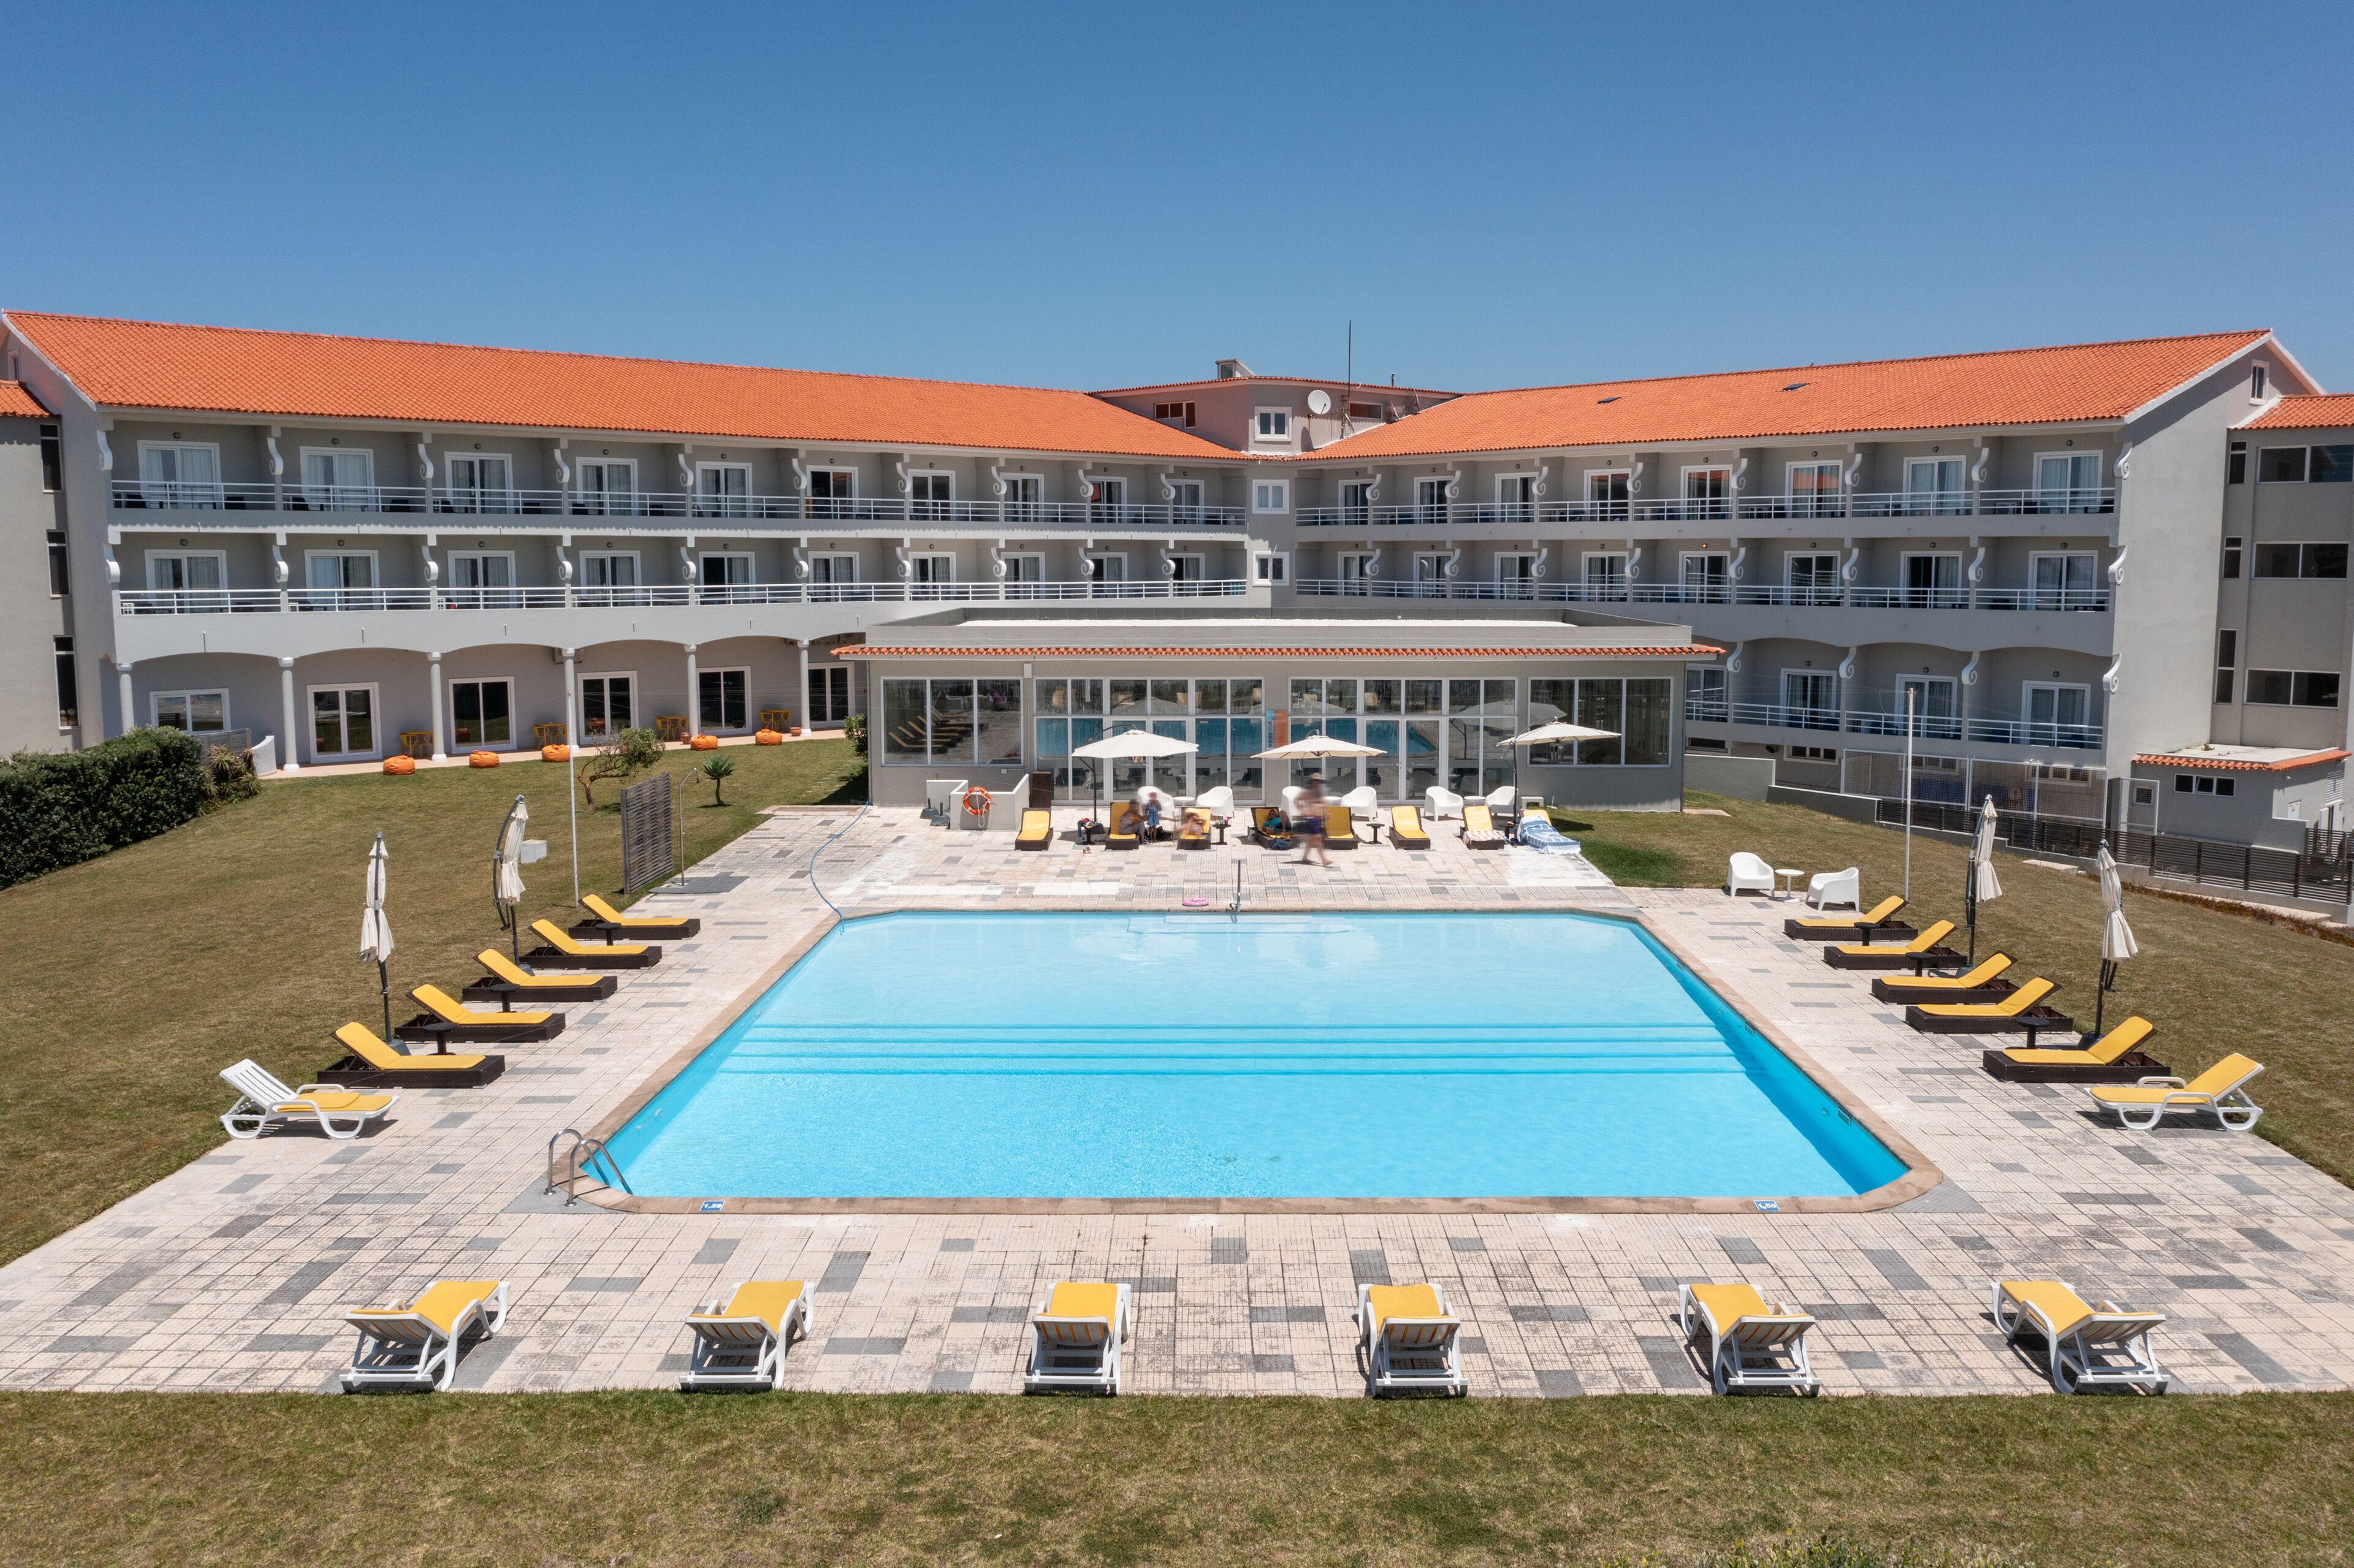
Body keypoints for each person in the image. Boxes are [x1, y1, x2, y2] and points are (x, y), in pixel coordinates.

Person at [1294, 774, 1330, 867]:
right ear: (1311, 781)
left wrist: (1326, 812)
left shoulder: (1319, 792)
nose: (1317, 783)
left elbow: (1322, 803)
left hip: (1318, 818)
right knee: (1318, 837)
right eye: (1315, 781)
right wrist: (1302, 811)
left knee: (1312, 839)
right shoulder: (1306, 792)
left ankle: (1305, 858)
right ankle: (1324, 860)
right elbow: (1296, 800)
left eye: (1318, 781)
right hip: (1311, 818)